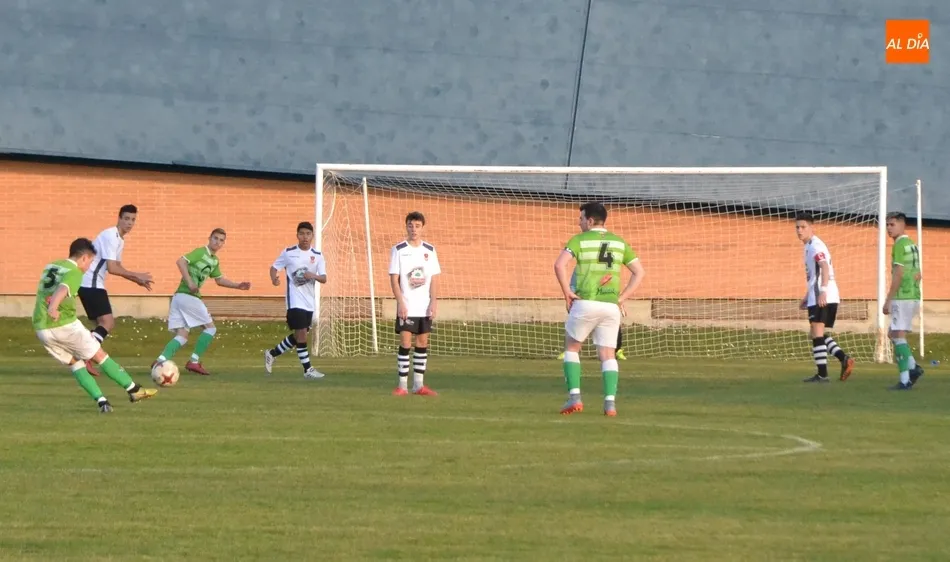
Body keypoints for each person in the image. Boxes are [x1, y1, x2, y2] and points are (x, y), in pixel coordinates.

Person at [34, 238, 157, 413]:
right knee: (99, 355)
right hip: (64, 325)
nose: (89, 266)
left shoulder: (52, 266)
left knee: (75, 363)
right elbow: (62, 288)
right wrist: (53, 307)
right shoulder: (74, 272)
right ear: (84, 257)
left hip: (42, 328)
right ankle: (134, 390)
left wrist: (50, 308)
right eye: (90, 261)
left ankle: (102, 402)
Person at [554, 202, 645, 416]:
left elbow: (559, 265)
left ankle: (575, 397)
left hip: (585, 302)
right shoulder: (619, 242)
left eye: (581, 219)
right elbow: (639, 272)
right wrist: (621, 298)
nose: (579, 223)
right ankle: (610, 403)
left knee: (572, 348)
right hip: (610, 307)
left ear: (590, 221)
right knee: (608, 354)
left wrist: (567, 292)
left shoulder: (579, 240)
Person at [152, 228, 251, 375]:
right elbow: (181, 261)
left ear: (223, 244)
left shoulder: (214, 260)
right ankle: (194, 361)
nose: (218, 242)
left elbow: (219, 280)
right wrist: (190, 282)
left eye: (221, 240)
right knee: (210, 328)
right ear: (209, 238)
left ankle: (160, 361)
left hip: (178, 298)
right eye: (215, 238)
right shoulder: (201, 252)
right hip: (189, 297)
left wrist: (237, 286)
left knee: (182, 335)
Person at [78, 204, 153, 376]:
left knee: (100, 326)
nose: (129, 223)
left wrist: (136, 280)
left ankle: (84, 356)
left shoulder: (120, 239)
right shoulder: (110, 236)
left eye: (133, 220)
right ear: (119, 218)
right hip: (91, 283)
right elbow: (112, 268)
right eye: (126, 218)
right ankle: (83, 356)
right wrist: (136, 274)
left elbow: (118, 266)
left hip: (91, 283)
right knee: (108, 323)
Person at [795, 212, 855, 383]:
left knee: (817, 333)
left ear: (811, 227)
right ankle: (843, 358)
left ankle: (822, 375)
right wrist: (807, 295)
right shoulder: (809, 246)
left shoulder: (816, 245)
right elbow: (815, 274)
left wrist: (822, 291)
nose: (799, 230)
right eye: (797, 227)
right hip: (821, 295)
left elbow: (824, 267)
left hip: (823, 296)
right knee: (815, 333)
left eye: (803, 227)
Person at [264, 221, 327, 379]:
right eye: (302, 234)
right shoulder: (288, 252)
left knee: (300, 335)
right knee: (302, 334)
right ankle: (308, 370)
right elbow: (274, 267)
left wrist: (312, 275)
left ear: (312, 236)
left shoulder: (318, 256)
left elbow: (324, 278)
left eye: (308, 234)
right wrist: (274, 278)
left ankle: (272, 354)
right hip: (294, 301)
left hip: (309, 302)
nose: (305, 237)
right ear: (297, 235)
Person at [388, 211, 440, 396]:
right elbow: (394, 280)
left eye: (417, 226)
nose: (414, 229)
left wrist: (433, 302)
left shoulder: (430, 250)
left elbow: (434, 279)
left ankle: (418, 385)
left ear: (422, 228)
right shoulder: (398, 250)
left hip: (424, 306)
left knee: (422, 342)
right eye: (410, 225)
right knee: (405, 342)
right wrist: (401, 303)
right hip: (407, 306)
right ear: (406, 227)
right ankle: (402, 386)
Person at [884, 212, 925, 390]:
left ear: (902, 225)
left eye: (892, 224)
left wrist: (888, 299)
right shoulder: (912, 245)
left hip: (902, 297)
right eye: (887, 225)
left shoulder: (899, 245)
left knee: (898, 336)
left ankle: (905, 380)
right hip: (913, 296)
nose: (889, 228)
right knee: (893, 333)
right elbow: (918, 273)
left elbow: (898, 274)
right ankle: (913, 368)